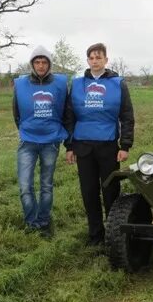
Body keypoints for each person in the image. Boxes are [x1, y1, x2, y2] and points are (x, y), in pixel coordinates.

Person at [65, 43, 134, 246]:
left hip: (108, 146)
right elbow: (69, 116)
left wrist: (125, 146)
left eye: (98, 57)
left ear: (106, 59)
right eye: (91, 58)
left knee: (110, 190)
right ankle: (95, 234)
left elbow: (127, 116)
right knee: (89, 191)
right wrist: (69, 146)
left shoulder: (118, 83)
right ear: (87, 61)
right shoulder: (77, 84)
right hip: (83, 146)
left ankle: (113, 233)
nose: (95, 61)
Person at [13, 45, 69, 238]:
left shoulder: (60, 84)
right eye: (37, 62)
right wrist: (26, 130)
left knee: (46, 185)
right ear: (32, 64)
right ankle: (31, 222)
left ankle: (43, 222)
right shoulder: (20, 85)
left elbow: (66, 111)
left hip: (51, 142)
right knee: (25, 186)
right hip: (27, 142)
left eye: (44, 62)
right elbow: (16, 113)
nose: (41, 65)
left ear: (49, 64)